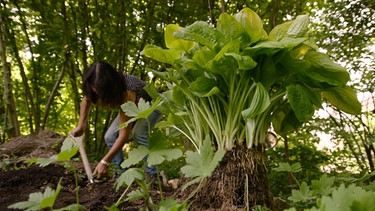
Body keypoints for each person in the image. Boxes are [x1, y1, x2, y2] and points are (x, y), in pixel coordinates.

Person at [71, 61, 162, 180]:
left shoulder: (127, 90)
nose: (96, 92)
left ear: (109, 86)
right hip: (135, 107)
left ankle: (154, 175)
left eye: (100, 90)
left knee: (138, 133)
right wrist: (81, 126)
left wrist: (105, 161)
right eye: (94, 89)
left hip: (153, 104)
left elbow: (124, 134)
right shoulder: (92, 86)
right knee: (109, 136)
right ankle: (121, 174)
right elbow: (87, 100)